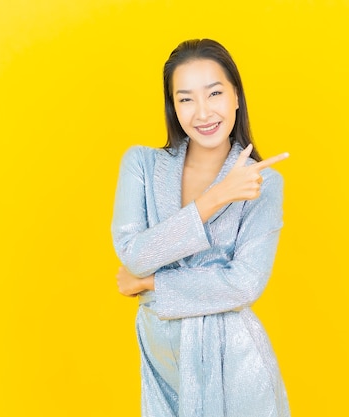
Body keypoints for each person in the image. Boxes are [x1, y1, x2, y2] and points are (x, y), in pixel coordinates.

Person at [111, 39, 290, 417]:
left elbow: (245, 283)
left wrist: (151, 284)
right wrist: (215, 198)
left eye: (215, 93)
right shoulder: (141, 164)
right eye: (186, 98)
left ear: (236, 97)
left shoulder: (263, 182)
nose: (203, 112)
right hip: (161, 357)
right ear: (173, 108)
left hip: (234, 362)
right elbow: (134, 254)